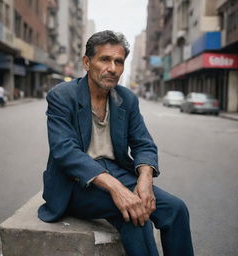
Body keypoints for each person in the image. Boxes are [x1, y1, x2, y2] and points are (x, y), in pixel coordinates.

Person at [38, 30, 194, 256]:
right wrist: (116, 188)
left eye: (118, 62)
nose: (112, 68)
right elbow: (65, 151)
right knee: (133, 213)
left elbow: (143, 143)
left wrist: (145, 179)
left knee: (176, 209)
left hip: (118, 173)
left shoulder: (126, 99)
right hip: (75, 182)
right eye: (104, 59)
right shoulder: (62, 96)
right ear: (87, 62)